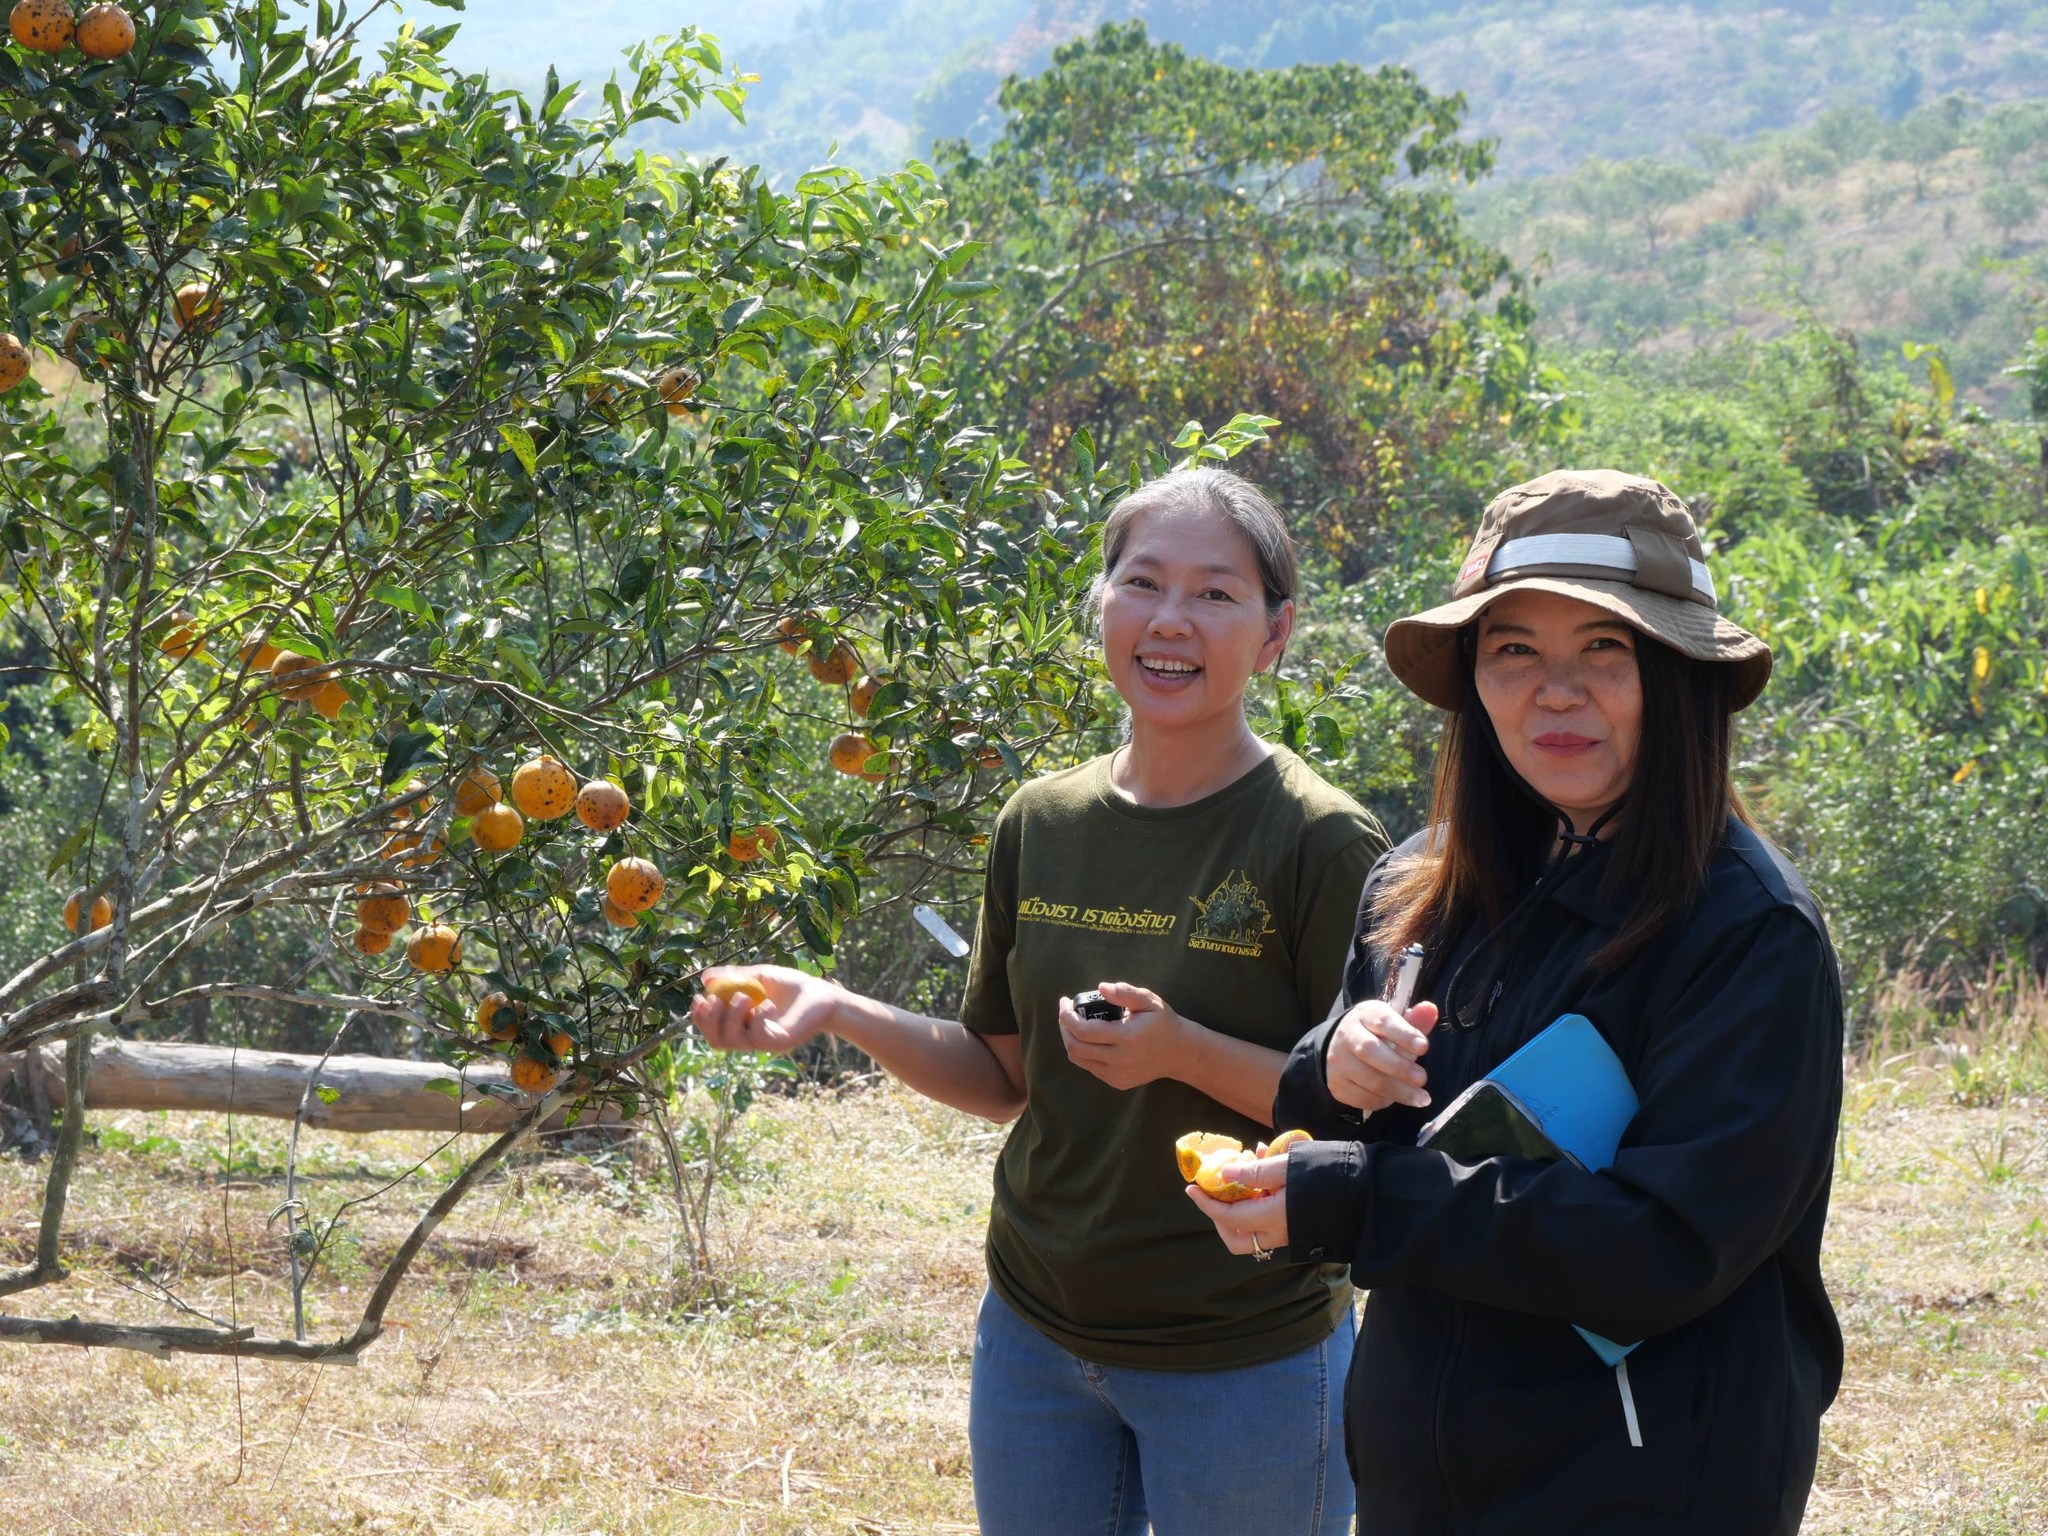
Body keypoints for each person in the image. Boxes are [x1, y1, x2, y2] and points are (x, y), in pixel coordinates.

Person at [692, 466, 1385, 1536]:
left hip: (1242, 1350)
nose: (1170, 620)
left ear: (1274, 630)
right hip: (1034, 1339)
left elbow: (1360, 1120)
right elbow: (1005, 1077)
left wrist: (1180, 1051)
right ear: (1100, 607)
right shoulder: (1039, 822)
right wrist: (837, 1007)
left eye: (1214, 593)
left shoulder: (1317, 840)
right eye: (1142, 582)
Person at [1191, 469, 1844, 1535]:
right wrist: (1333, 1067)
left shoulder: (1743, 933)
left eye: (1604, 649)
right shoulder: (1418, 887)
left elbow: (1668, 1247)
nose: (1554, 691)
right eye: (1512, 651)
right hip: (1423, 1473)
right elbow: (1342, 1114)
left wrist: (1361, 1201)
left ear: (1678, 676)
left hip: (1643, 1480)